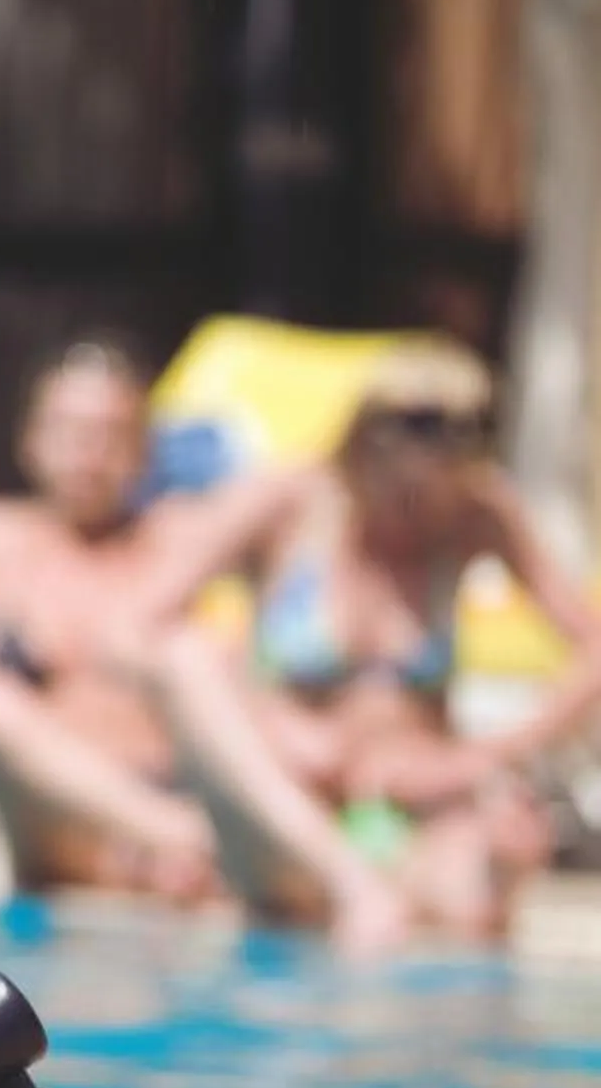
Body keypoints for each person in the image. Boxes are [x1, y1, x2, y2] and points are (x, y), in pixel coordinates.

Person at [149, 338, 601, 948]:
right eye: (397, 478)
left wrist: (487, 754)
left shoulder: (478, 514)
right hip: (293, 809)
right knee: (188, 658)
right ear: (360, 441)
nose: (411, 505)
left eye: (439, 475)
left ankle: (390, 894)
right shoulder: (289, 498)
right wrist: (267, 716)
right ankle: (347, 882)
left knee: (483, 889)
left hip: (410, 804)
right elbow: (140, 625)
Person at [0, 340, 223, 899]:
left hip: (166, 790)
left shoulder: (178, 540)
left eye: (111, 436)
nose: (89, 455)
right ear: (30, 440)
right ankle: (182, 837)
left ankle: (177, 842)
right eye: (71, 432)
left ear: (145, 450)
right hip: (57, 824)